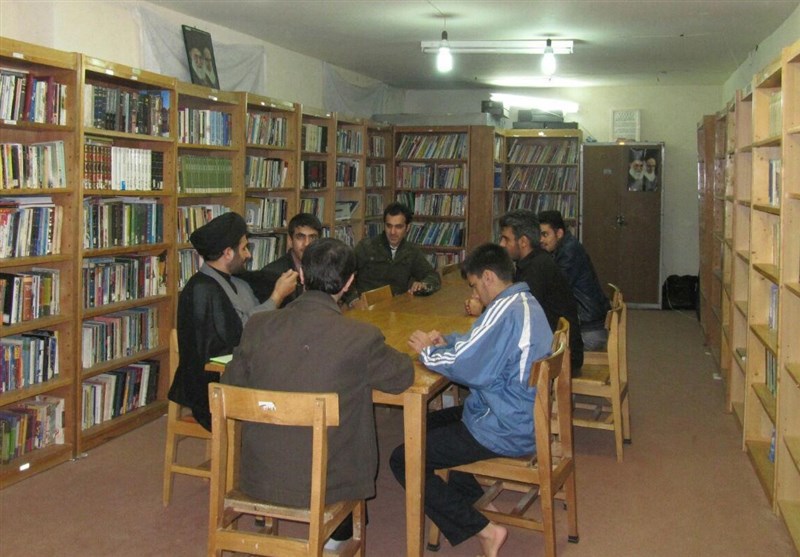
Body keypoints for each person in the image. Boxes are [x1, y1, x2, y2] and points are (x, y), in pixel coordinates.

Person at [221, 237, 414, 549]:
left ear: (301, 274)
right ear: (349, 283)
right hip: (330, 484)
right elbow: (402, 377)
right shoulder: (361, 337)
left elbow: (230, 385)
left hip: (258, 477)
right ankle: (338, 537)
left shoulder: (258, 325)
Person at [390, 243, 552, 557]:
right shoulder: (521, 301)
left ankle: (485, 531)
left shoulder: (504, 311)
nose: (476, 294)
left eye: (475, 286)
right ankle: (479, 506)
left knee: (404, 458)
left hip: (504, 426)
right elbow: (478, 344)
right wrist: (447, 341)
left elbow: (470, 368)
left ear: (488, 277)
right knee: (423, 427)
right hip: (517, 414)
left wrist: (427, 351)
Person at [167, 212, 298, 431]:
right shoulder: (202, 290)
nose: (248, 255)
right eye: (244, 248)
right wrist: (276, 297)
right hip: (214, 388)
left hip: (238, 372)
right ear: (228, 253)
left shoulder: (237, 281)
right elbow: (239, 334)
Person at [468, 210, 583, 373]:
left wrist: (483, 309)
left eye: (506, 239)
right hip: (555, 349)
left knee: (486, 360)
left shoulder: (537, 269)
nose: (501, 244)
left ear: (523, 242)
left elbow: (518, 317)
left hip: (559, 359)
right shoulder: (533, 262)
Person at [538, 210, 611, 351]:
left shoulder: (569, 252)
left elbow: (556, 290)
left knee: (539, 349)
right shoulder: (564, 247)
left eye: (545, 235)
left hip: (588, 332)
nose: (541, 240)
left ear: (559, 233)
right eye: (539, 235)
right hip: (588, 324)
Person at [348, 202, 441, 303]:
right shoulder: (366, 247)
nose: (392, 232)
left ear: (407, 228)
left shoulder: (411, 251)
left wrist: (424, 285)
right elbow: (343, 274)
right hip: (367, 307)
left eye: (398, 227)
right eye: (389, 226)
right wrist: (354, 300)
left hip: (398, 306)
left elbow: (432, 276)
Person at [240, 213, 322, 307]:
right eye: (300, 237)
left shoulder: (324, 270)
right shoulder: (271, 274)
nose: (307, 243)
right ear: (290, 240)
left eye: (312, 237)